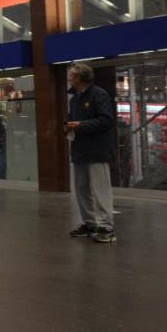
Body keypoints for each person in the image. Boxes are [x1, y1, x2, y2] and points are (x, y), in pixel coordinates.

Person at [66, 62, 117, 243]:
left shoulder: (99, 95)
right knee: (81, 188)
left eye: (71, 76)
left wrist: (80, 125)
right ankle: (90, 223)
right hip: (80, 149)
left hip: (98, 150)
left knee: (100, 189)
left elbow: (106, 120)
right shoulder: (74, 99)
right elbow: (73, 121)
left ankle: (106, 227)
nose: (69, 78)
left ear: (80, 78)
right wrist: (70, 127)